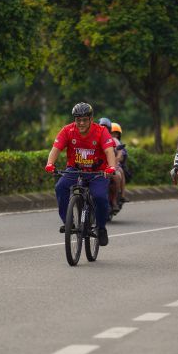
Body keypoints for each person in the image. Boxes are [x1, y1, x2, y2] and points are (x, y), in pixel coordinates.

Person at [45, 103, 116, 246]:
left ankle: (101, 228)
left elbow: (109, 151)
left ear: (91, 119)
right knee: (60, 187)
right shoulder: (67, 130)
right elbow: (56, 149)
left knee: (100, 197)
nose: (81, 123)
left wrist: (111, 167)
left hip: (98, 172)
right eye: (78, 120)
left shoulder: (101, 131)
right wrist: (50, 164)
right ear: (74, 120)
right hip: (75, 170)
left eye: (84, 120)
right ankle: (68, 222)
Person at [98, 117, 122, 212]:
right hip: (95, 168)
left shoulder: (114, 140)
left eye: (106, 127)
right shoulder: (93, 138)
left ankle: (114, 200)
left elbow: (119, 154)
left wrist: (113, 166)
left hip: (109, 167)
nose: (103, 129)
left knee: (117, 177)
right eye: (101, 127)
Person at [111, 122, 129, 203]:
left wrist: (116, 160)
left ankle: (122, 195)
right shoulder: (102, 141)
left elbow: (121, 157)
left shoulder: (119, 144)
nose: (114, 135)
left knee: (121, 172)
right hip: (103, 165)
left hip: (116, 164)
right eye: (112, 133)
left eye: (116, 133)